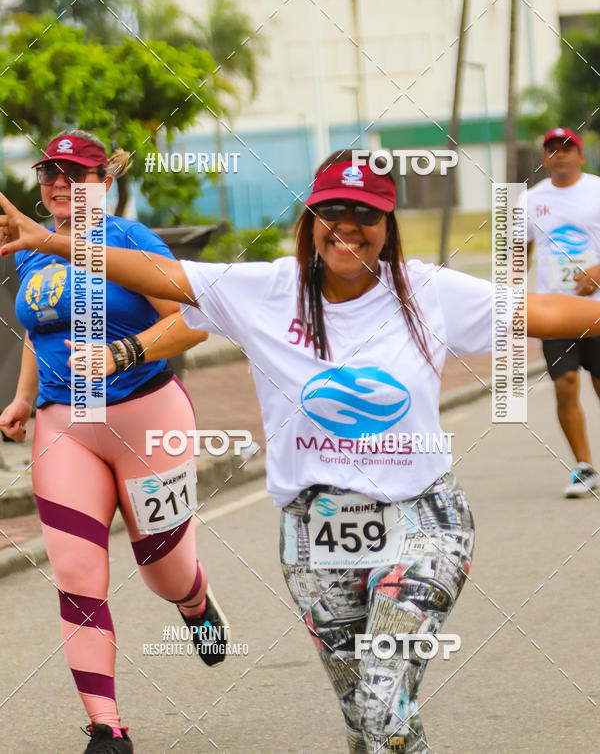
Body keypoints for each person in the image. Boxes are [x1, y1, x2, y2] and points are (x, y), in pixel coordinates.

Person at [2, 149, 600, 753]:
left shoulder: (426, 291)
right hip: (314, 535)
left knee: (380, 700)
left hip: (422, 522)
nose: (348, 225)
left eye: (366, 213)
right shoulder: (267, 290)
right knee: (364, 721)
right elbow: (162, 277)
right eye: (332, 209)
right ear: (309, 220)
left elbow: (543, 311)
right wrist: (51, 243)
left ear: (389, 225)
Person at [0, 130, 229, 754]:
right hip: (64, 425)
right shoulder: (31, 251)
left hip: (147, 417)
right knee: (76, 575)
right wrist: (24, 396)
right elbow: (40, 329)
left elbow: (191, 322)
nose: (57, 184)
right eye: (49, 172)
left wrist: (120, 352)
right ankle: (108, 728)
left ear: (103, 182)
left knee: (164, 568)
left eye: (74, 175)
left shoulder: (131, 240)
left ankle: (195, 605)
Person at [525, 127, 600, 497]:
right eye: (552, 150)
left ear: (581, 156)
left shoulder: (597, 190)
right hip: (554, 312)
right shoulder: (530, 200)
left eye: (567, 149)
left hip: (596, 309)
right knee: (565, 384)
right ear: (544, 159)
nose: (560, 155)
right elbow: (516, 251)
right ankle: (584, 467)